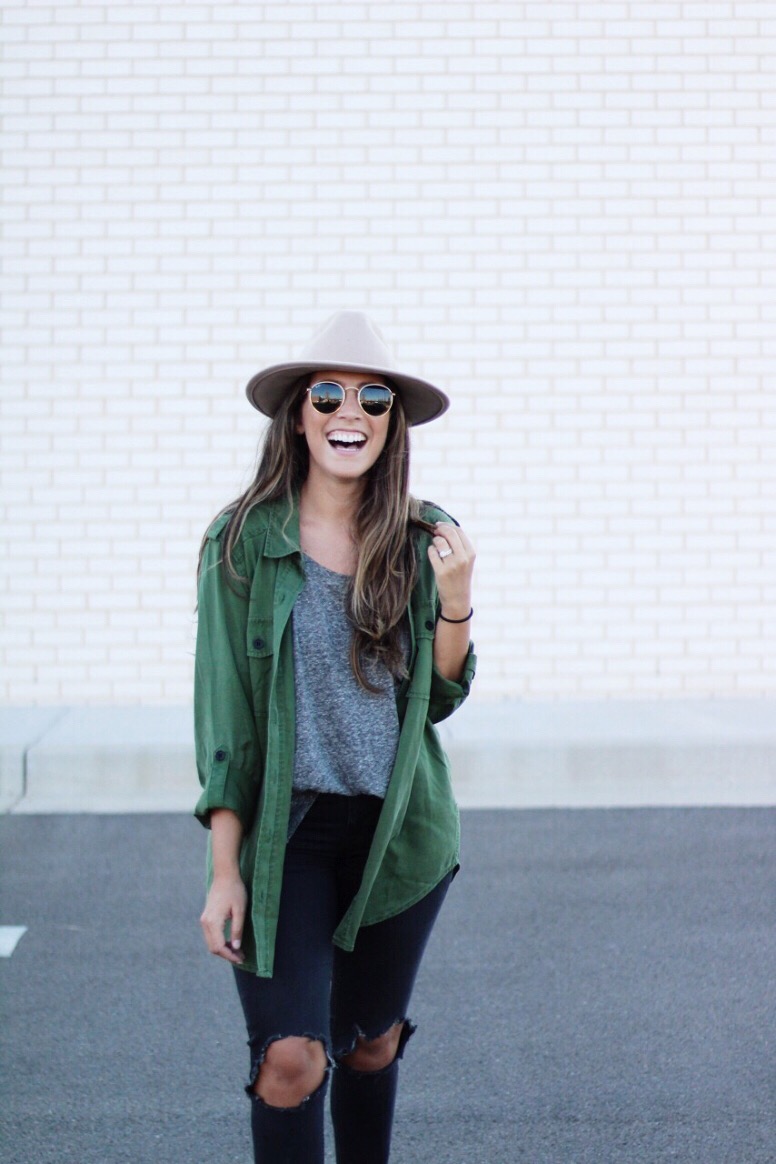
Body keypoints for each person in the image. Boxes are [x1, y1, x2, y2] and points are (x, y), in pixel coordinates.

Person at [194, 310, 477, 1163]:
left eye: (373, 399)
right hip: (290, 834)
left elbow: (440, 696)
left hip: (399, 831)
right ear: (298, 416)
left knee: (370, 1043)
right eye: (327, 394)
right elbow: (227, 720)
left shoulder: (423, 538)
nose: (349, 412)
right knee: (291, 1060)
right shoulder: (242, 542)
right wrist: (223, 870)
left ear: (391, 425)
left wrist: (456, 601)